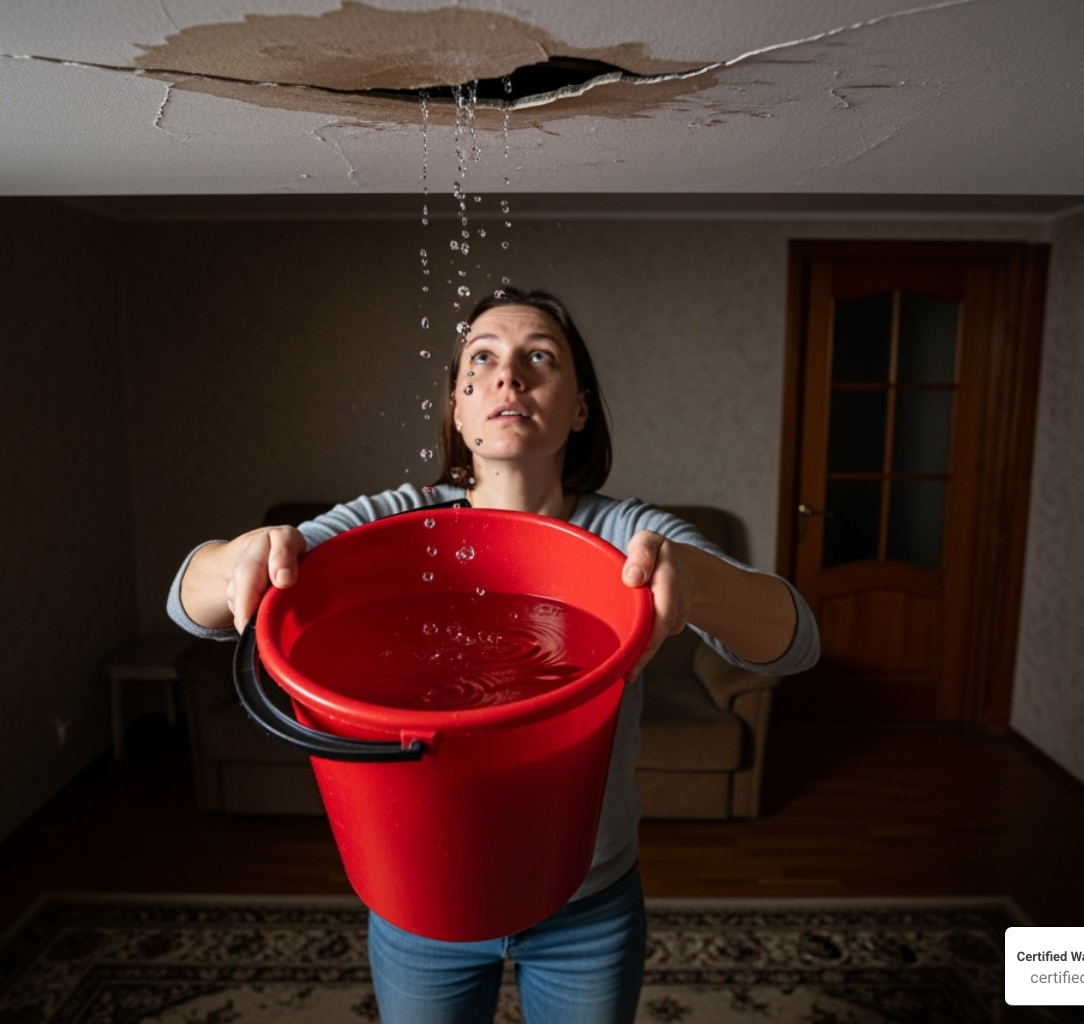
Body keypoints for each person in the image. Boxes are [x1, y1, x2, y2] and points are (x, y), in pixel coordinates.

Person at [168, 287, 819, 1024]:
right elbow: (190, 604)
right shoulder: (390, 524)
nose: (509, 375)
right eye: (483, 359)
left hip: (590, 904)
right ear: (458, 405)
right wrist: (237, 563)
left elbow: (795, 642)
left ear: (579, 407)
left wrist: (699, 584)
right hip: (419, 895)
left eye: (539, 357)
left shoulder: (631, 538)